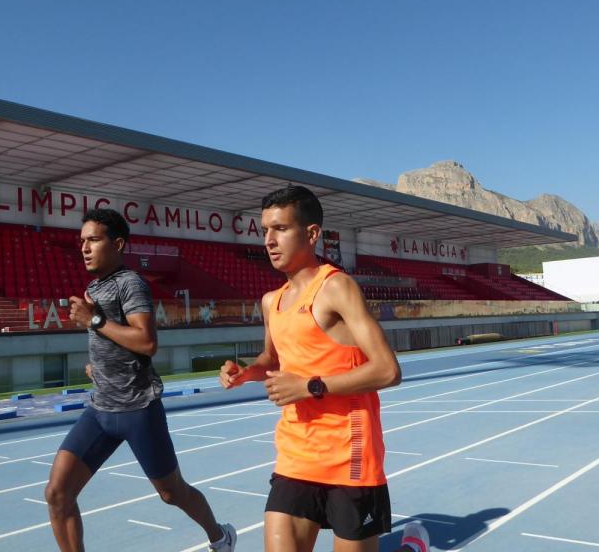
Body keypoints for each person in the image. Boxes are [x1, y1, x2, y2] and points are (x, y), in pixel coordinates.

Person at [220, 185, 419, 552]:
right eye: (265, 230)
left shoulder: (336, 288)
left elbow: (388, 370)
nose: (269, 240)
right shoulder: (271, 301)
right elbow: (272, 360)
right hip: (296, 453)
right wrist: (246, 372)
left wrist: (309, 387)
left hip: (350, 456)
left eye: (281, 228)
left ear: (311, 234)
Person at [46, 208, 236, 552]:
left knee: (171, 492)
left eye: (93, 240)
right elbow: (110, 339)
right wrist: (98, 366)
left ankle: (220, 536)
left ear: (117, 244)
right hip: (100, 409)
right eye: (82, 241)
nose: (84, 248)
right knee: (58, 493)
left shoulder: (130, 283)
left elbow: (147, 342)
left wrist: (94, 320)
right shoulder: (94, 287)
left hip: (138, 409)